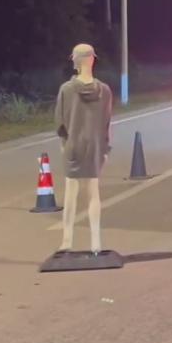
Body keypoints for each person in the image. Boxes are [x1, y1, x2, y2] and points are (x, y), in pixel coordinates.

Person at [55, 43, 113, 253]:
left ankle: (67, 241)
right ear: (92, 60)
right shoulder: (104, 91)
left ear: (75, 62)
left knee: (71, 193)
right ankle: (96, 242)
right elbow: (106, 122)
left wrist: (64, 143)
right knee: (93, 193)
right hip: (95, 146)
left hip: (73, 145)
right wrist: (105, 148)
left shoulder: (66, 89)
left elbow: (60, 123)